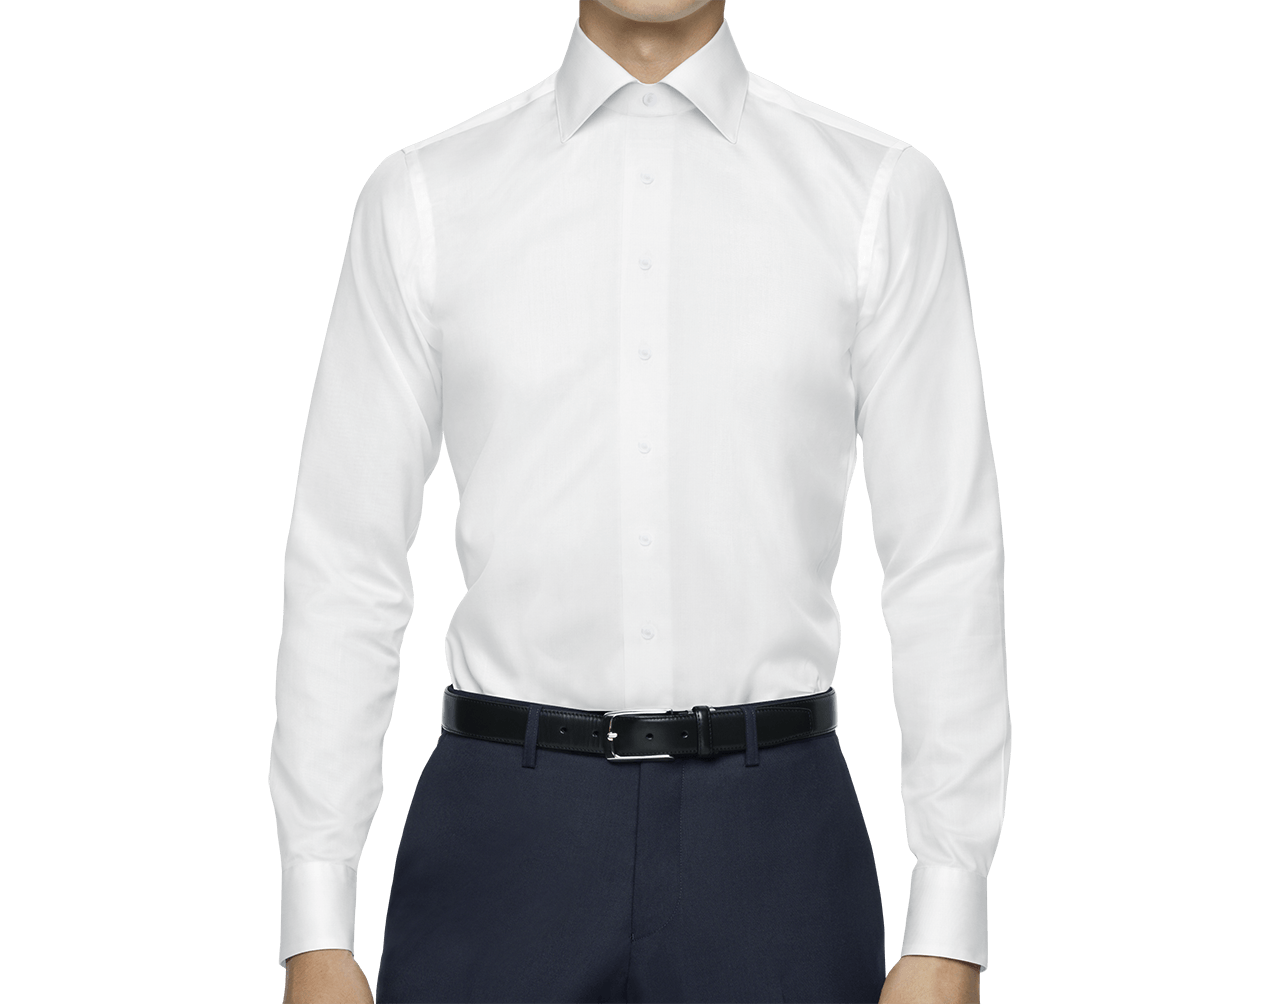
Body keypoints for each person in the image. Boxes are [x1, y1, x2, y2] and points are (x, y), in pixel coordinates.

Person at [268, 2, 1012, 1002]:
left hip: (776, 840)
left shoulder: (877, 193)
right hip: (502, 835)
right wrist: (315, 919)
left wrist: (950, 917)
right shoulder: (424, 197)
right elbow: (345, 558)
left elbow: (943, 557)